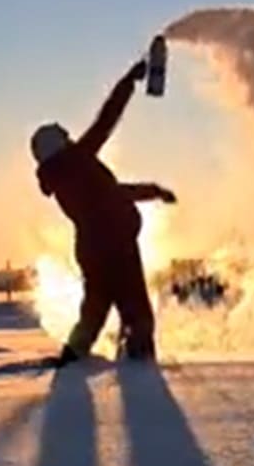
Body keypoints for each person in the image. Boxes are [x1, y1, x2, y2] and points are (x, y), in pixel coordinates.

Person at [31, 59, 176, 367]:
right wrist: (129, 81)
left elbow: (113, 194)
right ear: (60, 145)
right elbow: (107, 120)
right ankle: (140, 371)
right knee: (137, 314)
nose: (72, 140)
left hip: (94, 249)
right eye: (66, 138)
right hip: (116, 248)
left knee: (95, 310)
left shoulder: (65, 178)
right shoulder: (77, 161)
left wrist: (153, 191)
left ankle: (73, 359)